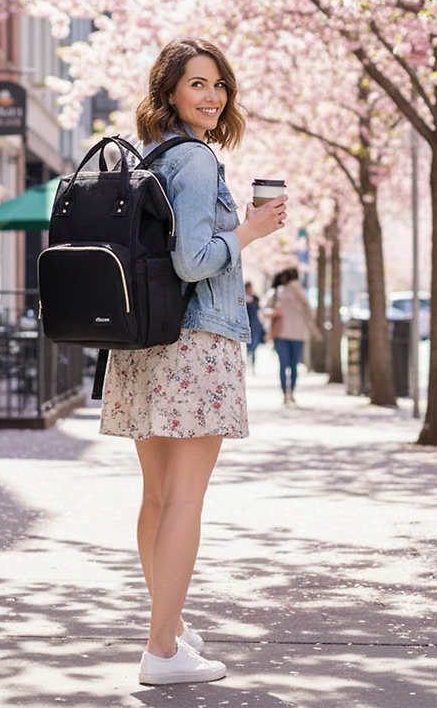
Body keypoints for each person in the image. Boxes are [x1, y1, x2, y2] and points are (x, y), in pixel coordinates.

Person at [98, 39, 288, 685]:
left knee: (156, 498)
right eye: (197, 84)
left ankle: (170, 628)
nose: (211, 96)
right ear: (171, 92)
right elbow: (195, 262)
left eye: (219, 85)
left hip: (144, 344)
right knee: (184, 500)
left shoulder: (150, 154)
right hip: (197, 343)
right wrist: (251, 231)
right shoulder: (199, 161)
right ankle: (161, 650)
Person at [266, 267, 315, 405]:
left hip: (281, 334)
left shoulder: (277, 292)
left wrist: (272, 313)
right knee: (293, 365)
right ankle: (290, 392)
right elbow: (310, 313)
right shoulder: (301, 293)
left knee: (284, 365)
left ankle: (285, 393)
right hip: (297, 334)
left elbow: (264, 310)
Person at [245, 281, 265, 371]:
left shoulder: (255, 298)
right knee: (247, 346)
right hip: (246, 325)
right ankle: (247, 363)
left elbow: (259, 310)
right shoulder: (241, 298)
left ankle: (252, 364)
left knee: (254, 345)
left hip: (255, 325)